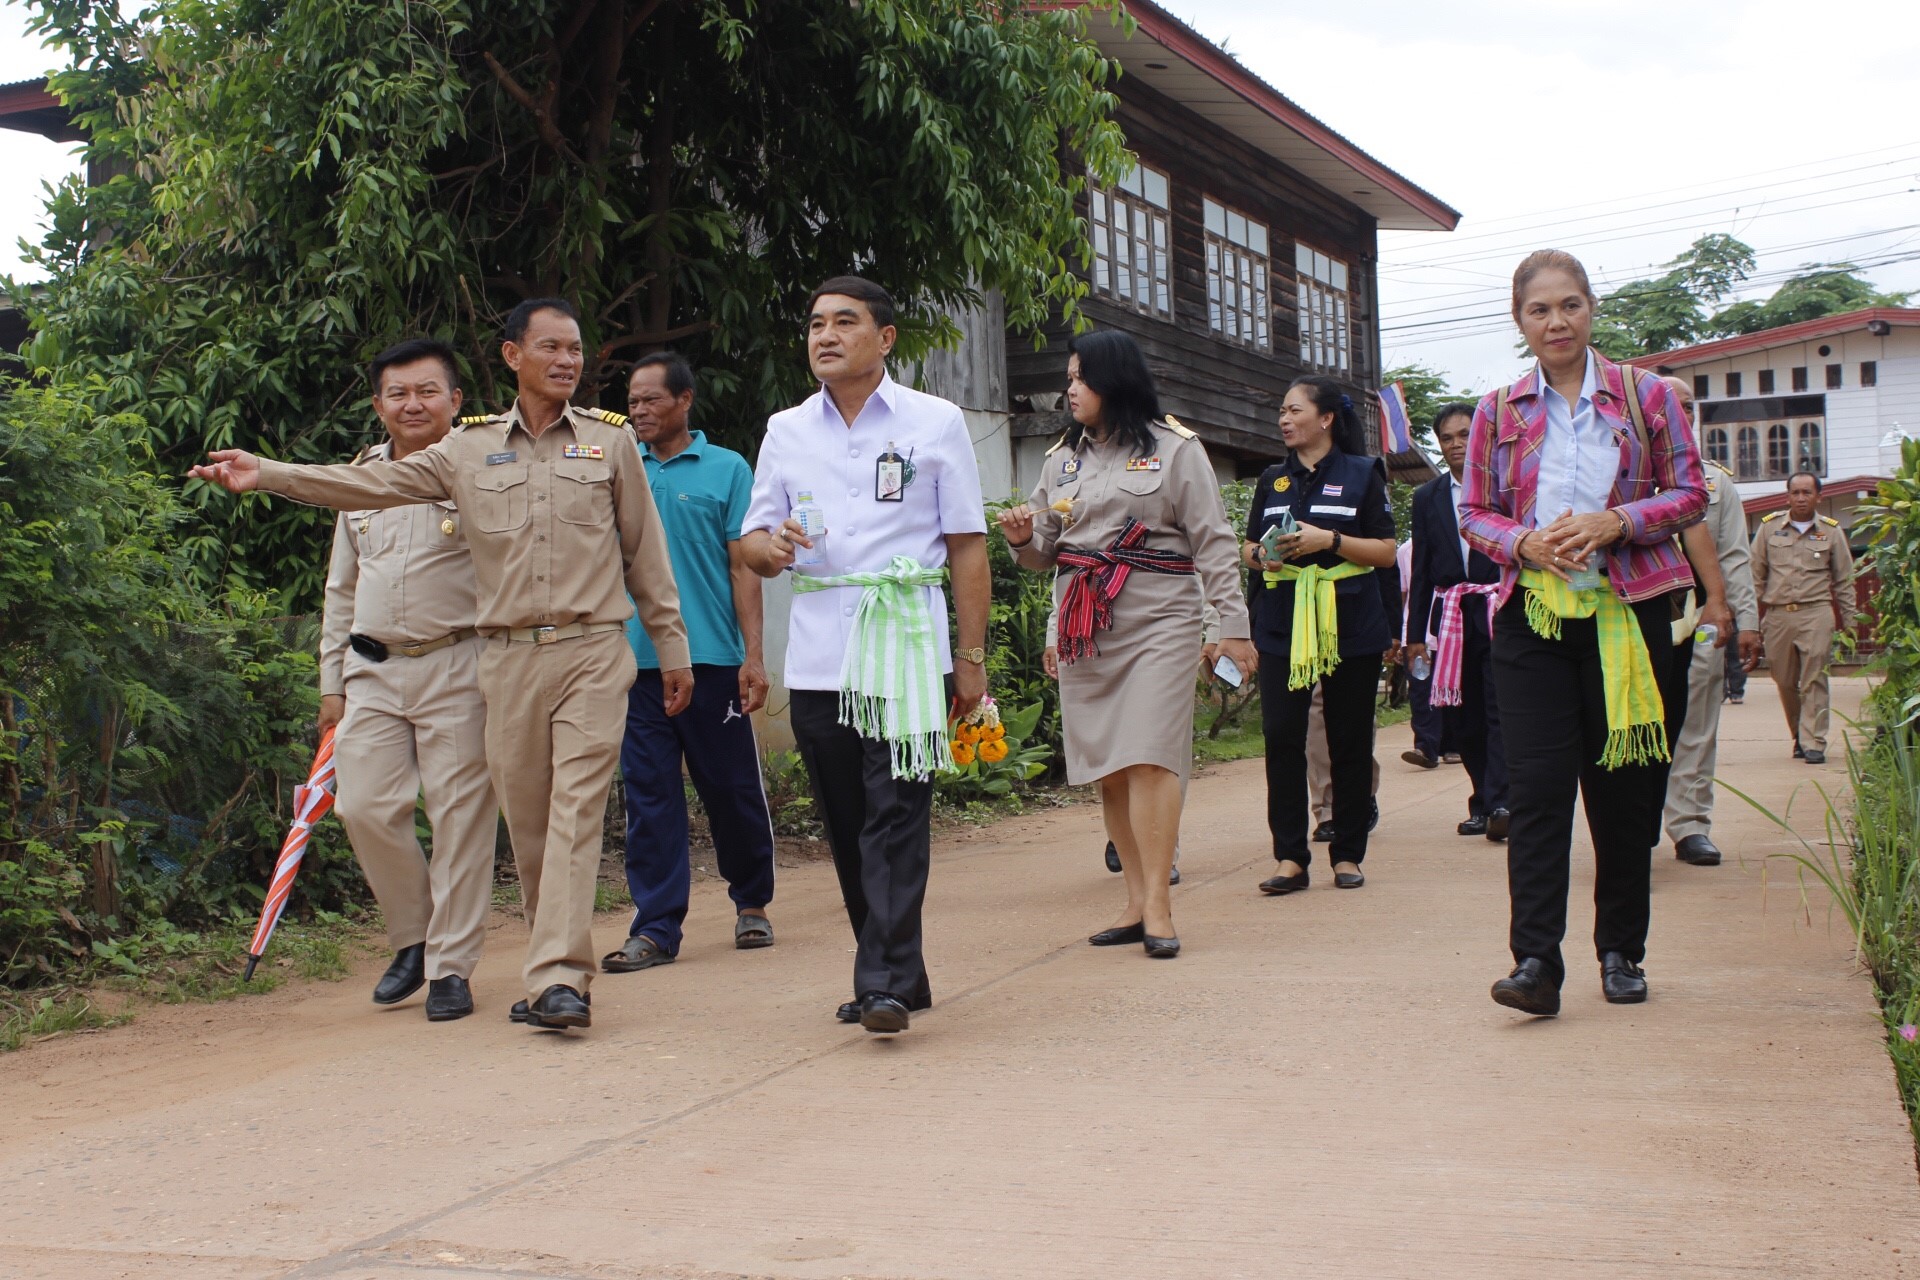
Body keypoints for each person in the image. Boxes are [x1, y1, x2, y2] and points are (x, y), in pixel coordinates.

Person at [192, 299, 692, 1033]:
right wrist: (265, 472)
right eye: (549, 347)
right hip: (505, 660)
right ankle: (514, 954)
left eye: (575, 349)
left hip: (590, 651)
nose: (566, 360)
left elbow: (646, 553)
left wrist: (670, 647)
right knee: (528, 828)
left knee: (575, 812)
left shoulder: (607, 443)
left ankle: (557, 980)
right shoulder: (467, 450)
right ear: (512, 356)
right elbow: (366, 488)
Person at [1460, 249, 1706, 1018]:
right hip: (1532, 619)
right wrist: (1522, 543)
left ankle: (1621, 951)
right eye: (1540, 310)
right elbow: (1473, 513)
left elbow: (1691, 492)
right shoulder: (1497, 413)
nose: (1556, 321)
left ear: (1591, 308)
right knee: (1536, 792)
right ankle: (1535, 961)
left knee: (1625, 792)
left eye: (1569, 305)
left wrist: (1618, 521)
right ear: (1519, 321)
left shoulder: (1648, 396)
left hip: (1631, 615)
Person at [742, 275, 989, 1034]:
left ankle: (879, 979)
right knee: (848, 822)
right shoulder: (786, 430)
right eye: (815, 323)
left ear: (884, 338)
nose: (825, 336)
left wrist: (970, 657)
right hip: (820, 654)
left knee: (895, 815)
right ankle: (898, 974)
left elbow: (967, 546)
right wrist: (771, 549)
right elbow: (751, 542)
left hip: (907, 647)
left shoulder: (936, 421)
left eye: (844, 323)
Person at [999, 330, 1253, 957]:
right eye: (1069, 377)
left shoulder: (1176, 449)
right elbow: (1044, 557)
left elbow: (1214, 542)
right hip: (1087, 623)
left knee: (1151, 753)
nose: (1070, 388)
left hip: (1159, 619)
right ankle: (1136, 902)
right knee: (1110, 767)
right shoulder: (1062, 459)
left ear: (1113, 379)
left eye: (1079, 376)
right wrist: (1019, 537)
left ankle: (1161, 909)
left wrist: (1233, 627)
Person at [317, 338, 498, 1022]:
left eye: (428, 391)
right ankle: (414, 937)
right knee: (361, 806)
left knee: (460, 819)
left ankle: (452, 966)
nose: (412, 404)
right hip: (371, 671)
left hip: (459, 662)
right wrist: (331, 680)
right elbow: (341, 585)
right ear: (378, 405)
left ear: (455, 401)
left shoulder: (481, 469)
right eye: (398, 393)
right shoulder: (359, 480)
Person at [603, 352, 777, 975]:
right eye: (633, 400)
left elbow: (742, 566)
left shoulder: (728, 469)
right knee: (649, 797)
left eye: (651, 399)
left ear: (685, 400)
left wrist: (753, 656)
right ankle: (655, 927)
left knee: (730, 790)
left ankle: (751, 900)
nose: (638, 410)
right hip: (633, 661)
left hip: (711, 659)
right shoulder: (613, 467)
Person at [1244, 376, 1398, 896]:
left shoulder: (1362, 474)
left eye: (1294, 410)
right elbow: (1248, 549)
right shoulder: (1272, 479)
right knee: (1281, 738)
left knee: (1348, 739)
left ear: (1326, 418)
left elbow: (1385, 551)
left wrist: (1328, 540)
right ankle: (1290, 856)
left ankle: (1348, 852)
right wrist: (1261, 554)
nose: (1285, 420)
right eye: (1281, 412)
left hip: (1348, 621)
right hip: (1281, 622)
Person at [1659, 375, 1762, 866]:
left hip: (1702, 616)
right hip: (1639, 621)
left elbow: (1735, 556)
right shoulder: (1626, 474)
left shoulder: (1715, 482)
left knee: (1697, 723)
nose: (1682, 411)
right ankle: (1634, 824)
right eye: (1671, 403)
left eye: (1689, 405)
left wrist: (1748, 622)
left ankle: (1690, 825)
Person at [1405, 402, 1510, 842]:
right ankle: (1481, 803)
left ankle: (1504, 802)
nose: (1456, 445)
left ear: (1483, 435)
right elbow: (1424, 569)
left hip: (1501, 608)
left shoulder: (1506, 487)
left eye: (1465, 434)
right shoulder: (1427, 498)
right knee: (1463, 715)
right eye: (1447, 438)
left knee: (1500, 710)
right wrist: (1414, 638)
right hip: (1453, 617)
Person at [1751, 472, 1853, 766]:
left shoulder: (1831, 532)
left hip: (1816, 612)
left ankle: (1814, 741)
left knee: (1814, 678)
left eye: (1807, 492)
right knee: (1783, 680)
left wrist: (1851, 620)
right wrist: (1749, 622)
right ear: (1787, 496)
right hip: (1779, 615)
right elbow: (1755, 576)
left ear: (1818, 497)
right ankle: (1799, 732)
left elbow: (1845, 579)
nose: (1800, 498)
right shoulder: (1769, 530)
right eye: (1795, 492)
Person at [1395, 537, 1446, 769]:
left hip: (1450, 632)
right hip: (1417, 638)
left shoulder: (1455, 539)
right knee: (1421, 688)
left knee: (1453, 688)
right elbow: (1402, 595)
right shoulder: (1406, 550)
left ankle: (1452, 744)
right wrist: (1399, 635)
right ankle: (1425, 747)